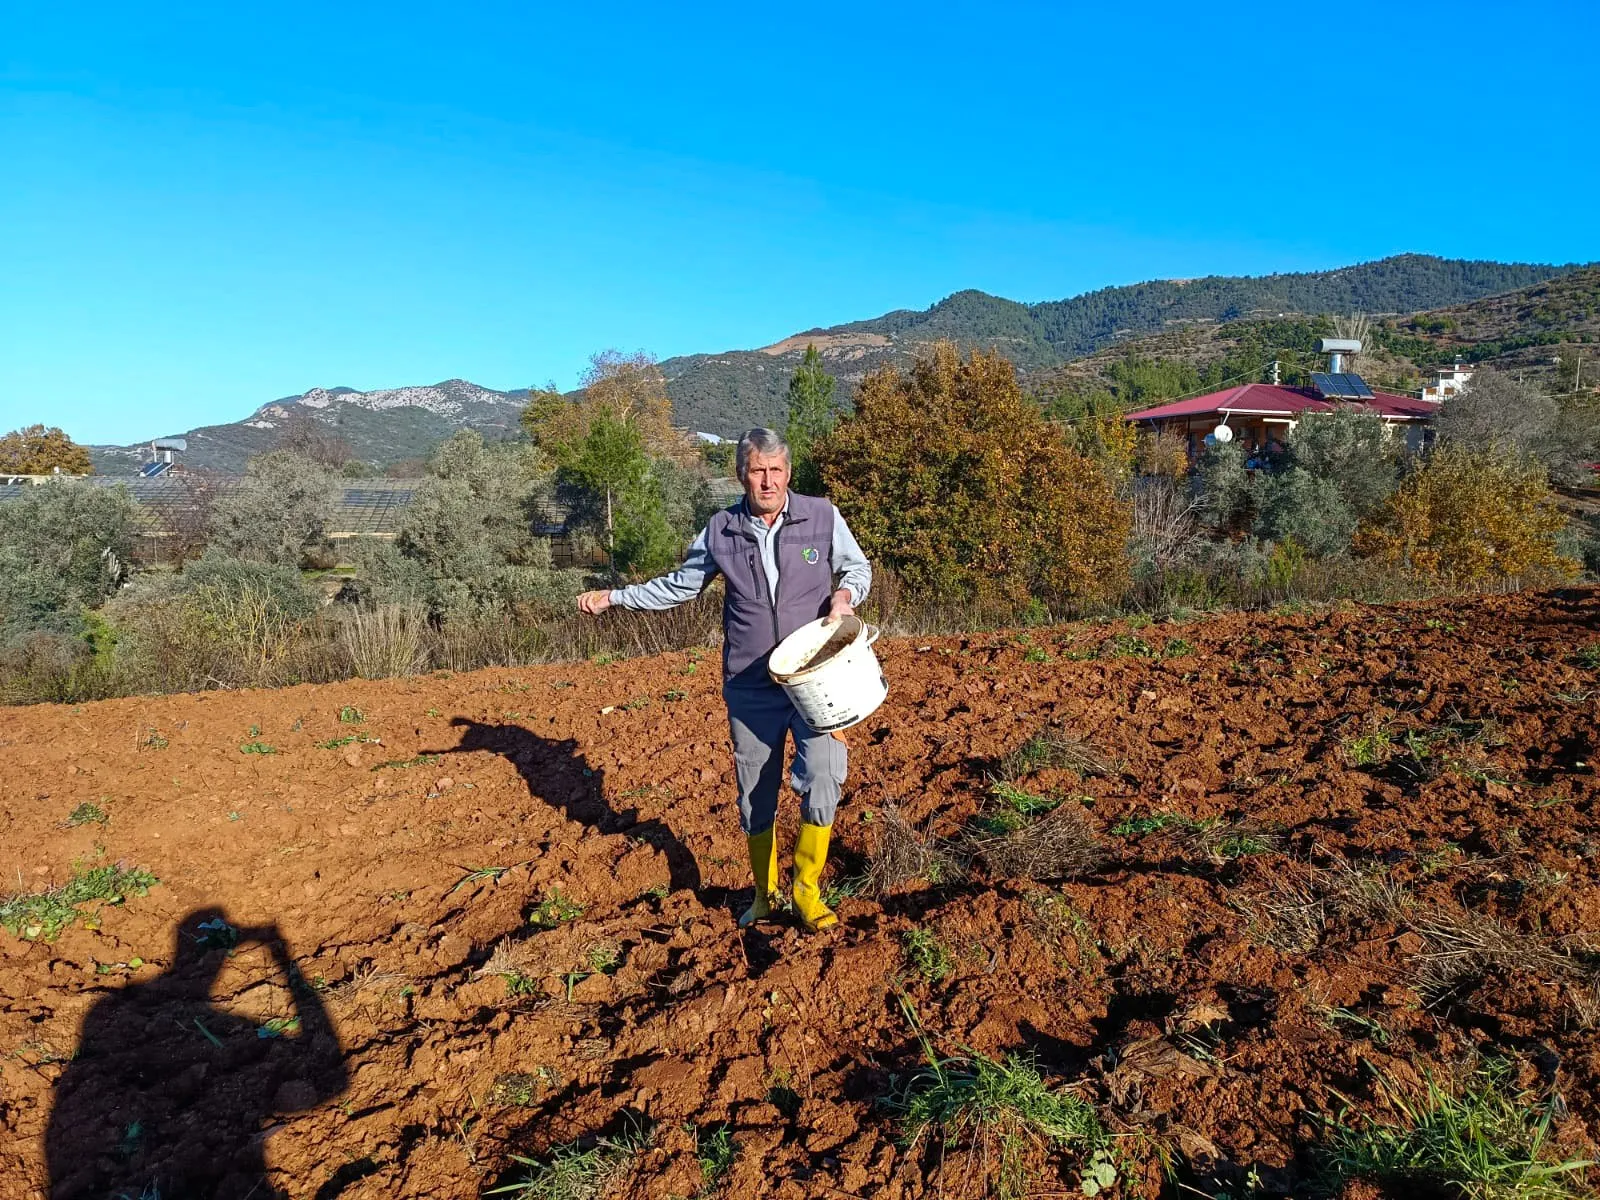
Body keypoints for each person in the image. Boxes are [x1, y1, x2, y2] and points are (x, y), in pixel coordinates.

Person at [577, 428, 871, 932]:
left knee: (824, 773)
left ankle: (806, 891)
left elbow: (857, 569)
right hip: (750, 684)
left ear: (788, 474)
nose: (767, 480)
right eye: (758, 470)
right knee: (755, 793)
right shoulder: (720, 529)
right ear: (742, 474)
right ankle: (763, 894)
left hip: (814, 682)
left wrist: (844, 598)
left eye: (776, 470)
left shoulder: (822, 516)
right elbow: (680, 586)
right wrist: (617, 597)